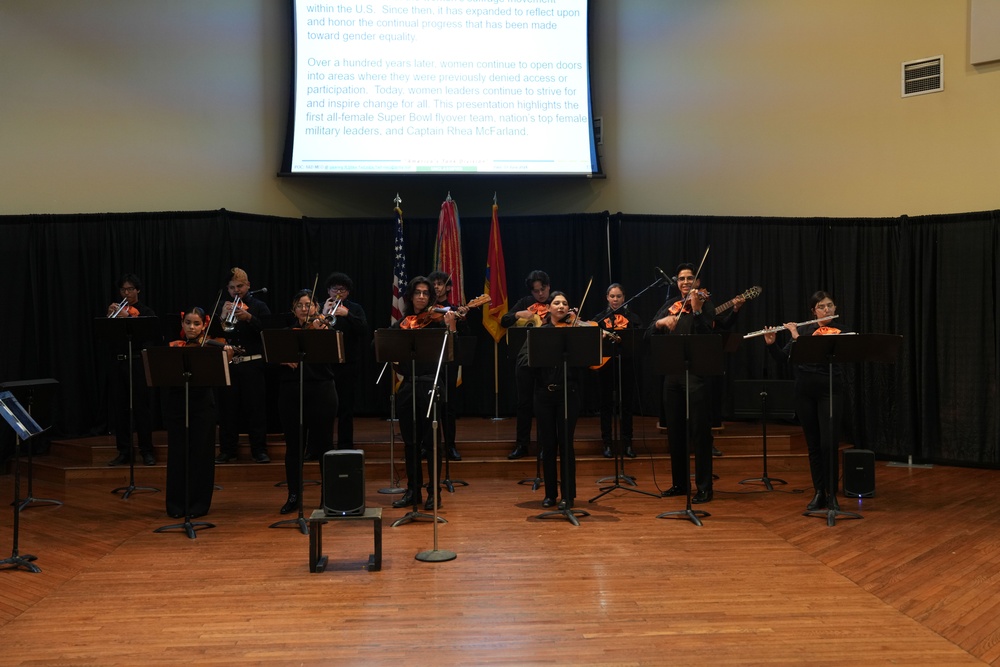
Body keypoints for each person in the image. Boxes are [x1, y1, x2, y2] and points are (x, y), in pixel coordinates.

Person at [763, 291, 845, 512]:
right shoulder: (805, 329)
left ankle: (832, 495)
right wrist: (772, 344)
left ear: (835, 308)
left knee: (829, 444)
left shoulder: (839, 331)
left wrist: (796, 336)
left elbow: (812, 353)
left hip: (830, 391)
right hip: (805, 392)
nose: (826, 310)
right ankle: (819, 492)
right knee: (813, 445)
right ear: (813, 311)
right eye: (821, 307)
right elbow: (783, 358)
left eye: (830, 306)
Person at [646, 263, 718, 504]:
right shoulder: (670, 307)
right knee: (675, 433)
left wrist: (696, 311)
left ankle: (705, 488)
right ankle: (679, 483)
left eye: (690, 278)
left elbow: (709, 337)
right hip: (672, 375)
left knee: (700, 433)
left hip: (696, 376)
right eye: (681, 279)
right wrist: (660, 323)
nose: (685, 282)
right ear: (676, 283)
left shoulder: (706, 306)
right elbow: (648, 334)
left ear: (697, 282)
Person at [391, 276, 459, 511]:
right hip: (408, 385)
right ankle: (413, 490)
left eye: (426, 293)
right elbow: (381, 347)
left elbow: (452, 354)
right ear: (410, 296)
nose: (421, 297)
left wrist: (451, 327)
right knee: (410, 443)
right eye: (418, 292)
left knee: (431, 444)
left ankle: (434, 493)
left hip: (431, 384)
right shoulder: (402, 324)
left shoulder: (438, 324)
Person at [276, 290, 338, 514]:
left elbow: (336, 356)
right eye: (300, 305)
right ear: (294, 309)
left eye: (309, 304)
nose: (305, 309)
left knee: (324, 445)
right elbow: (270, 360)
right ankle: (294, 495)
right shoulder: (285, 334)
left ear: (316, 307)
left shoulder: (324, 329)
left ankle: (328, 497)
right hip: (292, 392)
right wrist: (282, 358)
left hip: (322, 390)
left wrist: (325, 332)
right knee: (294, 447)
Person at [164, 308, 226, 518]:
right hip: (177, 405)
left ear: (204, 325)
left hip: (202, 406)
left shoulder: (209, 346)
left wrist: (225, 349)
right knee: (177, 455)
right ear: (182, 324)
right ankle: (175, 505)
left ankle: (198, 504)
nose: (192, 327)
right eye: (188, 323)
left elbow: (226, 355)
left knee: (201, 455)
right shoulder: (173, 347)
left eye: (197, 323)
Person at [527, 291, 584, 509]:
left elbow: (588, 363)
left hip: (568, 394)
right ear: (549, 308)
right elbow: (529, 363)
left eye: (565, 303)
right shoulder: (541, 333)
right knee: (548, 446)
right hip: (544, 395)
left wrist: (579, 332)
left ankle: (568, 495)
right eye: (556, 303)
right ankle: (550, 494)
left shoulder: (575, 332)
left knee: (566, 445)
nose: (561, 306)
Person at [215, 267, 272, 464]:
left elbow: (269, 331)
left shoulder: (259, 306)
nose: (236, 291)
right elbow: (212, 333)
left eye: (239, 286)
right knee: (227, 410)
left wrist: (249, 318)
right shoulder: (223, 305)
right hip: (229, 364)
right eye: (231, 287)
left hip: (252, 364)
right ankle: (227, 450)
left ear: (248, 285)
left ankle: (259, 450)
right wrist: (222, 317)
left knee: (256, 409)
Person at [105, 273, 158, 466]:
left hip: (137, 363)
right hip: (119, 364)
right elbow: (107, 339)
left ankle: (146, 450)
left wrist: (128, 318)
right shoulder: (116, 311)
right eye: (123, 290)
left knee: (141, 408)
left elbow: (149, 339)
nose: (126, 293)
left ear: (138, 291)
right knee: (120, 409)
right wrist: (110, 319)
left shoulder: (146, 312)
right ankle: (124, 451)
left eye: (130, 289)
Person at [499, 269, 552, 460]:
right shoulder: (525, 303)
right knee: (524, 404)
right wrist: (518, 314)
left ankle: (546, 446)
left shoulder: (556, 302)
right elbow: (504, 321)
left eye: (543, 289)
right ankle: (522, 444)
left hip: (547, 363)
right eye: (536, 291)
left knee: (545, 406)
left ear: (548, 287)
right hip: (525, 361)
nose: (540, 294)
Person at [317, 271, 369, 455]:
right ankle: (322, 445)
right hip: (325, 365)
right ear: (328, 290)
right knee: (323, 408)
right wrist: (323, 313)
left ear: (348, 292)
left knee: (346, 407)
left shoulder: (354, 309)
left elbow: (363, 330)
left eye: (342, 289)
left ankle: (345, 445)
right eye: (334, 289)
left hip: (348, 364)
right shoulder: (320, 306)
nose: (338, 293)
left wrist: (347, 315)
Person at [594, 283, 643, 459]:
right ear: (607, 297)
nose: (615, 300)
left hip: (626, 365)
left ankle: (627, 443)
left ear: (624, 298)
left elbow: (638, 342)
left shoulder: (633, 318)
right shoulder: (599, 319)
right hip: (606, 366)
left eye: (619, 296)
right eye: (612, 296)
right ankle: (607, 443)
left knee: (627, 405)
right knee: (606, 405)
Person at [428, 270, 468, 461]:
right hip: (427, 360)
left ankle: (450, 445)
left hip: (448, 361)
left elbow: (465, 336)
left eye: (440, 283)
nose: (436, 286)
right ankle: (427, 445)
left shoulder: (454, 309)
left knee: (449, 405)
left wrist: (462, 319)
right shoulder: (425, 307)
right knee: (428, 405)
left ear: (449, 287)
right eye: (433, 283)